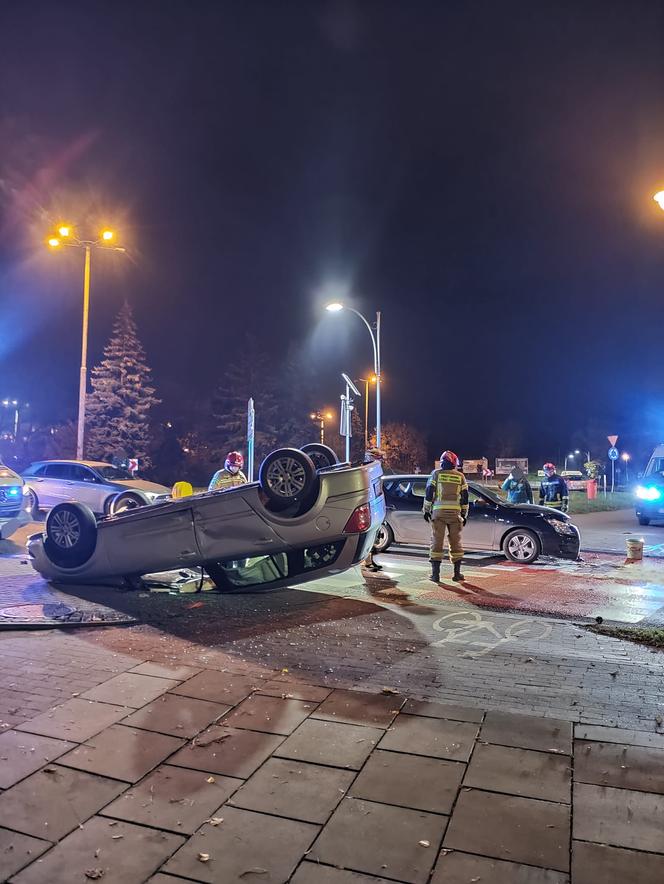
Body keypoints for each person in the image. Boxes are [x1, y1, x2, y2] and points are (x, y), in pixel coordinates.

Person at [423, 450, 469, 583]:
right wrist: (464, 514)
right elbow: (465, 497)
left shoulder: (436, 474)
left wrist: (426, 510)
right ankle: (457, 574)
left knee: (437, 542)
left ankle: (435, 575)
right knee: (456, 542)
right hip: (455, 514)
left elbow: (428, 492)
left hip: (438, 513)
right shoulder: (460, 476)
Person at [363, 447, 386, 572]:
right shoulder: (369, 471)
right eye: (378, 457)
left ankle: (369, 561)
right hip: (370, 508)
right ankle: (367, 561)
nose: (381, 460)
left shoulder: (375, 471)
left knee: (374, 536)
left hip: (376, 507)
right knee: (369, 536)